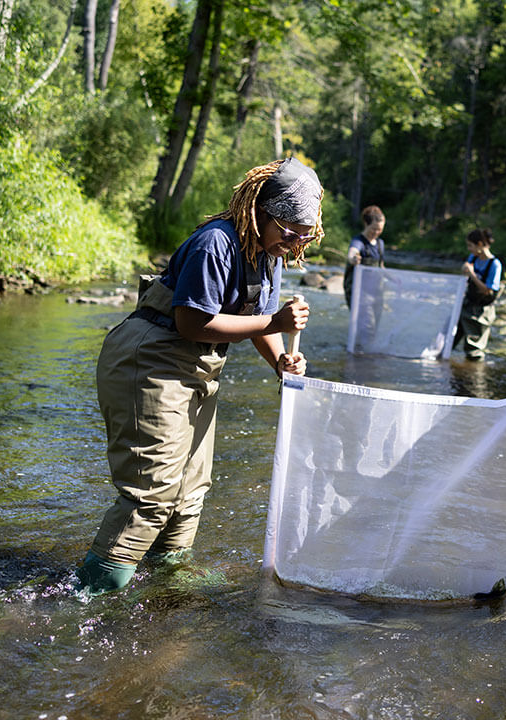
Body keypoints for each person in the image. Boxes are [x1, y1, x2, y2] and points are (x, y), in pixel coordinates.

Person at [75, 157, 324, 594]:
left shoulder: (269, 253)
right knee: (151, 494)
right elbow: (192, 321)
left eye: (305, 235)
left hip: (198, 366)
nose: (295, 242)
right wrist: (276, 325)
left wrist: (281, 362)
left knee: (190, 490)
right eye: (289, 231)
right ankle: (90, 596)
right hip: (150, 360)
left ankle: (164, 583)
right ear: (260, 212)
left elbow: (262, 316)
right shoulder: (216, 244)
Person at [453, 228, 503, 361]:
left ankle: (473, 376)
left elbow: (488, 290)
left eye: (470, 245)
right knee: (451, 337)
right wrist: (465, 271)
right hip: (467, 305)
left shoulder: (495, 264)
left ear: (480, 244)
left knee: (474, 350)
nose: (468, 249)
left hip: (481, 312)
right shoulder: (473, 258)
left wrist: (472, 274)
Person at [344, 205, 386, 307]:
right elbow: (352, 253)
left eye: (379, 229)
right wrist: (354, 259)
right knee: (365, 321)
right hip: (358, 292)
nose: (376, 232)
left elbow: (381, 266)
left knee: (373, 322)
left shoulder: (380, 244)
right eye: (373, 229)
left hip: (374, 291)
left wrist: (395, 279)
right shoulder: (358, 241)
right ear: (366, 224)